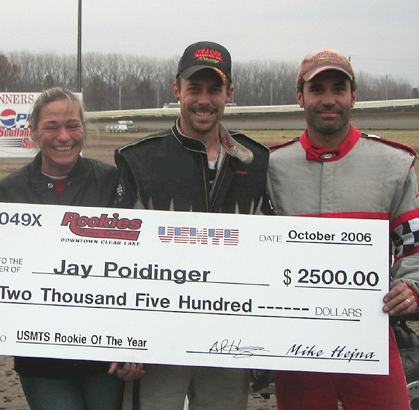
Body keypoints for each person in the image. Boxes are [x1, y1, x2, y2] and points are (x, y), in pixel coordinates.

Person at [112, 41, 270, 410]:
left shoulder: (257, 160)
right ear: (176, 90)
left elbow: (269, 255)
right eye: (193, 88)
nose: (203, 99)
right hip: (157, 339)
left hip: (230, 340)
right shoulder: (139, 159)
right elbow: (116, 256)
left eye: (214, 89)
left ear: (229, 93)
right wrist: (125, 337)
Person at [266, 48, 419, 409]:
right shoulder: (271, 167)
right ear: (300, 97)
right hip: (297, 347)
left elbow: (412, 244)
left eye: (338, 88)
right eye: (317, 90)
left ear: (354, 95)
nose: (329, 99)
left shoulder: (394, 164)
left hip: (372, 340)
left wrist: (412, 286)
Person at [0, 87, 124, 410]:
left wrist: (134, 346)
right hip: (42, 358)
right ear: (33, 131)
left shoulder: (113, 182)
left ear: (84, 130)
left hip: (106, 355)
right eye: (51, 126)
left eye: (72, 125)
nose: (63, 136)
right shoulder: (8, 193)